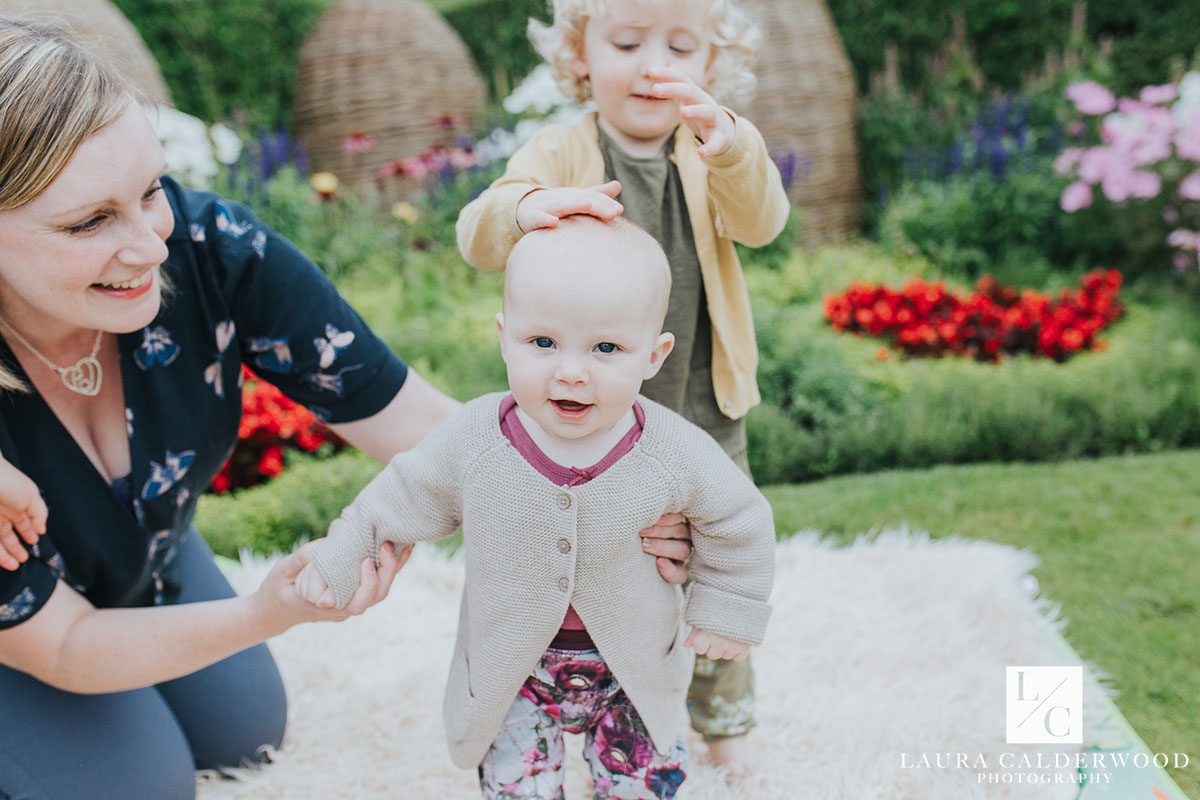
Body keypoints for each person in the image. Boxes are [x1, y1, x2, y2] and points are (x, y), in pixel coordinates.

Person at [0, 19, 692, 800]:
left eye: (150, 190)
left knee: (244, 730)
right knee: (144, 786)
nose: (151, 245)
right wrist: (266, 610)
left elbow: (423, 428)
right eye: (89, 221)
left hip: (143, 555)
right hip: (28, 631)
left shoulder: (206, 247)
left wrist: (622, 496)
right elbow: (65, 646)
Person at [298, 215, 776, 800]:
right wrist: (343, 557)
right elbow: (402, 495)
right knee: (516, 786)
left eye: (606, 348)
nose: (569, 371)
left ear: (654, 355)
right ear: (504, 336)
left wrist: (727, 605)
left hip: (634, 674)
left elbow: (739, 518)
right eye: (542, 343)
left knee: (640, 784)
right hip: (513, 673)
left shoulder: (672, 451)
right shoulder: (476, 439)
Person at [455, 0, 790, 773]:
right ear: (580, 53)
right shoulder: (561, 150)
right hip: (586, 412)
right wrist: (526, 208)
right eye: (627, 41)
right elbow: (478, 233)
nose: (652, 64)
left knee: (712, 561)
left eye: (681, 45)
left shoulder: (714, 147)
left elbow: (763, 221)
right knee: (596, 558)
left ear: (714, 63)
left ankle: (726, 718)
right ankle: (570, 701)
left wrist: (732, 145)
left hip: (699, 401)